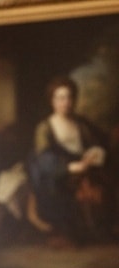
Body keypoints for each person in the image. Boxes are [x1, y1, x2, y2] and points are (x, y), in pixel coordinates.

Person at [27, 75, 114, 245]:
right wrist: (69, 167)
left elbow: (98, 143)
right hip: (59, 172)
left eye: (69, 97)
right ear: (52, 101)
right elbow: (43, 158)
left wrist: (96, 154)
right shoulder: (45, 127)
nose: (65, 102)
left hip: (87, 168)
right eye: (60, 98)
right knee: (60, 192)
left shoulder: (81, 123)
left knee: (105, 186)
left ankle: (101, 229)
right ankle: (68, 232)